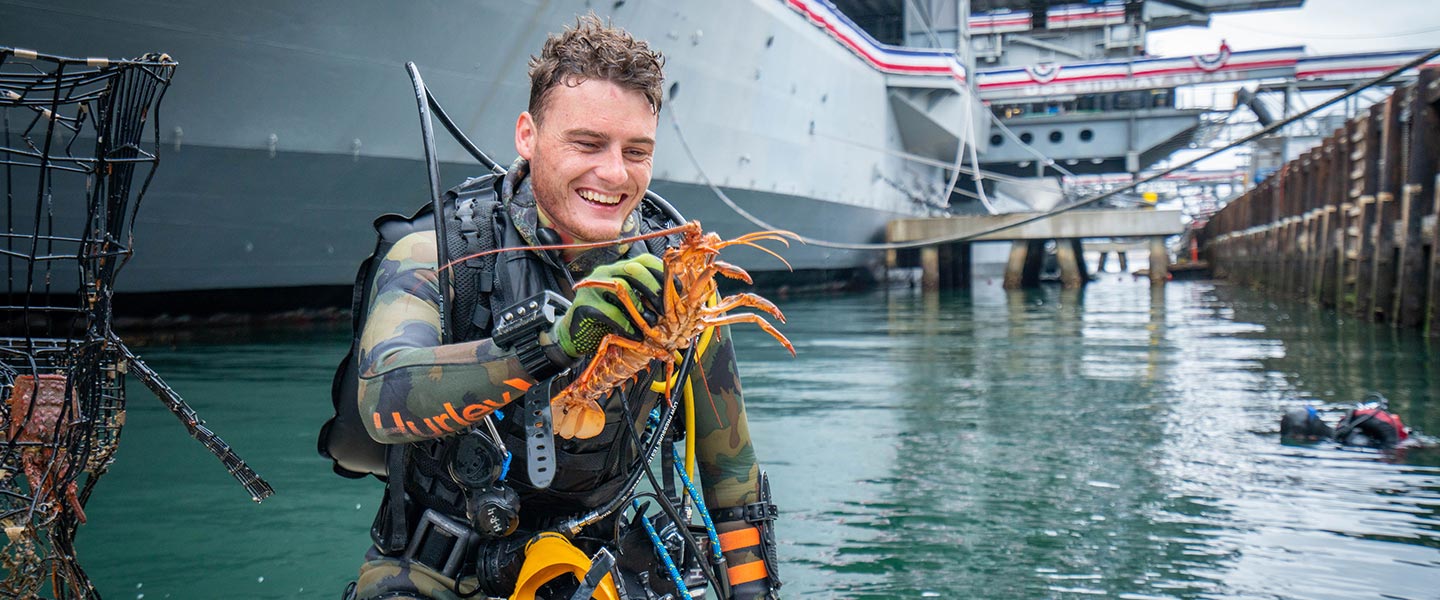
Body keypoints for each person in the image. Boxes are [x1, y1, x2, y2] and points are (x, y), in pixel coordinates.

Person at [345, 15, 780, 600]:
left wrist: (754, 593)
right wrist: (551, 343)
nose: (614, 173)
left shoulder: (678, 277)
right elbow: (381, 400)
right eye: (587, 143)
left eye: (637, 150)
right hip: (443, 569)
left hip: (600, 563)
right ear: (528, 135)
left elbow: (731, 474)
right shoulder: (440, 253)